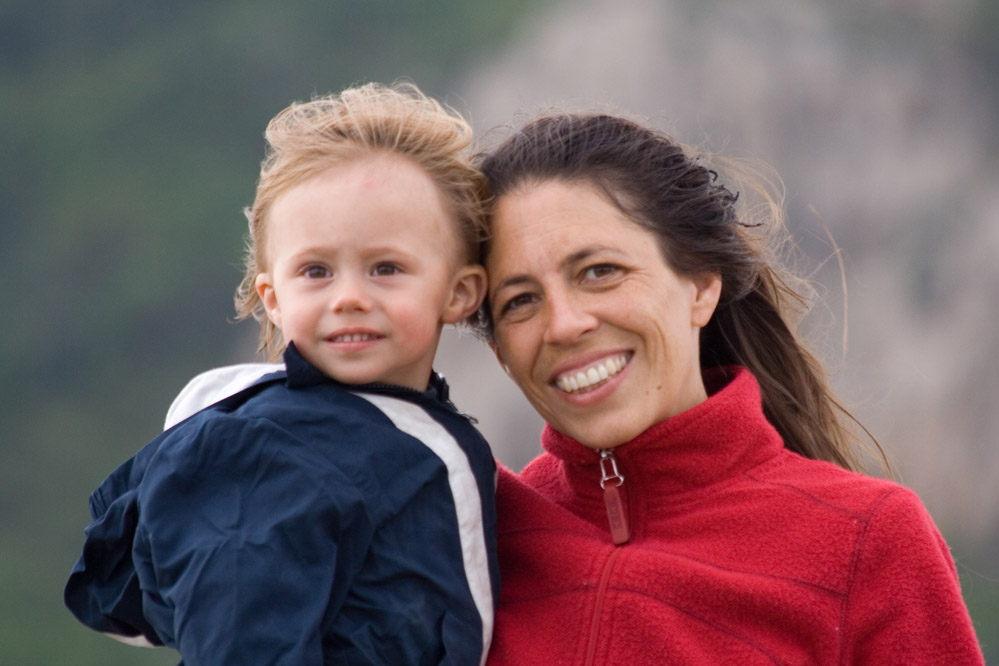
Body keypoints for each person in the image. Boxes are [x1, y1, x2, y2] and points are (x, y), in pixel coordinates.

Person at [149, 110, 985, 665]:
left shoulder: (868, 541)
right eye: (520, 300)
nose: (564, 324)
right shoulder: (451, 521)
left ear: (700, 285)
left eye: (600, 272)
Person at [64, 82, 499, 666]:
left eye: (385, 268)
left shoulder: (405, 431)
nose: (348, 297)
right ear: (273, 298)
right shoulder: (260, 457)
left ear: (460, 291)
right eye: (316, 270)